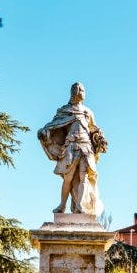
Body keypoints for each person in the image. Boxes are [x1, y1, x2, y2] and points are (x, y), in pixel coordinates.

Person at [37, 82, 107, 215]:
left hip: (86, 146)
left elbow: (93, 130)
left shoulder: (88, 112)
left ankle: (80, 206)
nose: (82, 92)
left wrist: (100, 137)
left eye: (83, 90)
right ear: (73, 92)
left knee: (84, 177)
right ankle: (62, 205)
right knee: (68, 178)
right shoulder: (65, 110)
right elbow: (53, 125)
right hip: (71, 145)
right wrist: (44, 132)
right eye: (79, 89)